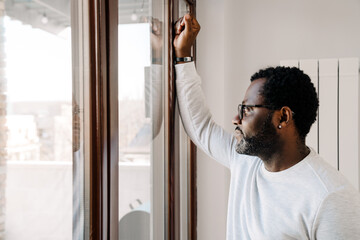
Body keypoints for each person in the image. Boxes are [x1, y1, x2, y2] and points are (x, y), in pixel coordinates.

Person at [174, 14, 360, 239]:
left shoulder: (330, 197)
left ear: (283, 117)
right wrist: (183, 56)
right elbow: (200, 127)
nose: (236, 118)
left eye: (247, 110)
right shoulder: (245, 161)